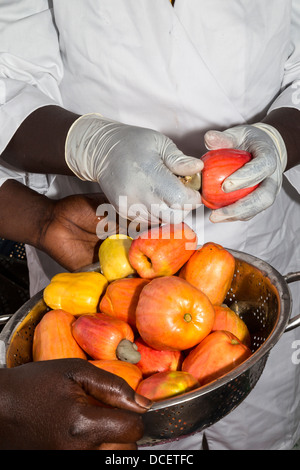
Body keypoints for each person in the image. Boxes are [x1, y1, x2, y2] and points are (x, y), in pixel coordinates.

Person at [0, 0, 300, 450]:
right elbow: (9, 78)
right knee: (120, 431)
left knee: (266, 432)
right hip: (99, 241)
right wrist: (91, 144)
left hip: (257, 239)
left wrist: (279, 142)